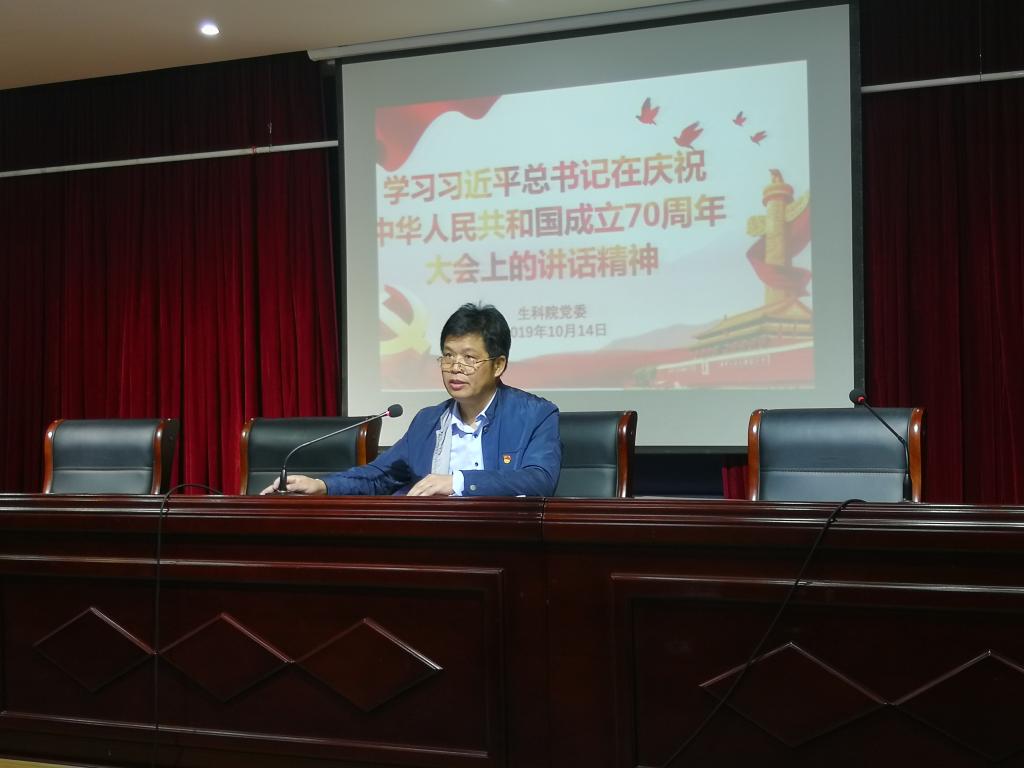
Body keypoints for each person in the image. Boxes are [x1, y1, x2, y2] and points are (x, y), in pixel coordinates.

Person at [262, 302, 560, 496]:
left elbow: (539, 480)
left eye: (469, 358)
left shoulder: (535, 415)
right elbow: (380, 476)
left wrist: (456, 482)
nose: (455, 367)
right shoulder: (429, 421)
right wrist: (322, 485)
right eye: (448, 355)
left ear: (498, 365)